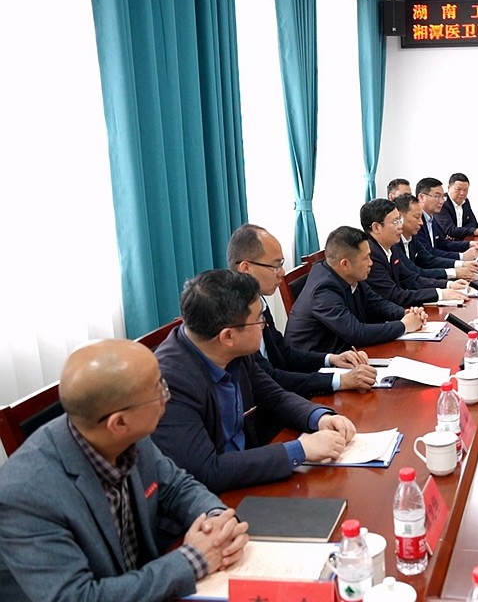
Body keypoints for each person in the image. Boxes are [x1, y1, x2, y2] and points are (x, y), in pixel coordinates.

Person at [0, 340, 250, 601]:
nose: (167, 397)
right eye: (158, 391)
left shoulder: (126, 434)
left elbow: (177, 486)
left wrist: (216, 521)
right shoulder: (24, 495)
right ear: (118, 423)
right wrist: (192, 560)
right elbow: (77, 597)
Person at [154, 270, 357, 493]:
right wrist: (299, 450)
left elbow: (274, 396)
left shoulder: (230, 350)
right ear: (228, 336)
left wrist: (318, 417)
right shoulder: (169, 382)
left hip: (250, 470)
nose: (264, 325)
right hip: (216, 497)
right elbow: (206, 470)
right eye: (259, 319)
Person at [227, 224, 377, 397]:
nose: (282, 273)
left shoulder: (259, 300)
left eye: (282, 264)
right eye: (275, 266)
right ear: (246, 268)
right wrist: (339, 381)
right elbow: (269, 379)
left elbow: (284, 353)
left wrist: (331, 359)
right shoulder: (235, 317)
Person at [286, 226, 427, 353]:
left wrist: (405, 313)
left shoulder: (349, 275)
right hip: (319, 365)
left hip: (348, 354)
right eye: (366, 258)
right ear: (345, 264)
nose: (371, 263)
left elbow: (377, 303)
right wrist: (404, 325)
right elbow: (356, 333)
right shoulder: (323, 290)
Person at [360, 199, 470, 307]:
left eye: (399, 220)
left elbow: (410, 278)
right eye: (395, 222)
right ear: (376, 227)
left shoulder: (390, 247)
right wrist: (440, 294)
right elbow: (394, 295)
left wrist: (448, 285)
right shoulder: (371, 254)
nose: (400, 226)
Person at [393, 194, 478, 282]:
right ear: (400, 217)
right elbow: (414, 273)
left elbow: (429, 260)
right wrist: (454, 273)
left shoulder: (412, 238)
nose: (421, 223)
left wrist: (462, 264)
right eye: (417, 217)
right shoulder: (394, 243)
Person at [416, 177, 478, 256]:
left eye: (442, 197)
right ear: (421, 197)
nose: (441, 201)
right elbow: (428, 253)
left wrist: (469, 244)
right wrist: (461, 257)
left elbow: (443, 244)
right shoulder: (416, 222)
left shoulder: (431, 218)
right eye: (437, 196)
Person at [437, 172, 478, 238]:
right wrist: (474, 231)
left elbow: (474, 223)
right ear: (449, 187)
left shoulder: (465, 201)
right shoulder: (441, 203)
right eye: (458, 189)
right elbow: (450, 230)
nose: (462, 193)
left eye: (465, 190)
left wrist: (461, 231)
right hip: (446, 242)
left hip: (461, 240)